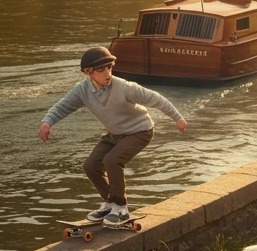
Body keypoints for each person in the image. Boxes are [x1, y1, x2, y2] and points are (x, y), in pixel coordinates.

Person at [38, 46, 188, 225]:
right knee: (91, 166)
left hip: (140, 131)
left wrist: (177, 118)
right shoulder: (81, 91)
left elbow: (156, 99)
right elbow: (63, 106)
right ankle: (110, 203)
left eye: (109, 67)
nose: (107, 73)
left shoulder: (124, 87)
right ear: (88, 72)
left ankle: (121, 207)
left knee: (112, 160)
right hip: (115, 134)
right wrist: (47, 123)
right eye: (101, 70)